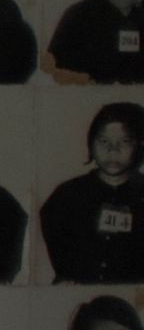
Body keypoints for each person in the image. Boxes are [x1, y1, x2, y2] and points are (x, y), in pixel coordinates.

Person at [43, 103, 144, 284]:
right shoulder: (67, 195)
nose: (113, 150)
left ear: (139, 145)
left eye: (125, 141)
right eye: (104, 141)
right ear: (91, 143)